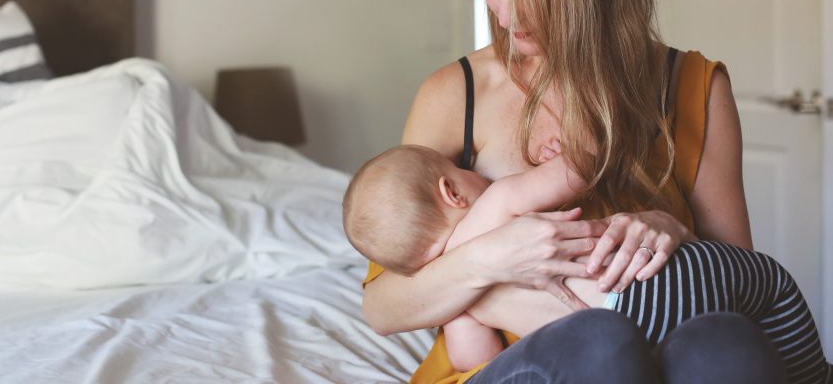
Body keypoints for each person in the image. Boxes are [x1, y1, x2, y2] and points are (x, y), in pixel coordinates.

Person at [361, 0, 795, 384]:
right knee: (600, 343)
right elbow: (383, 307)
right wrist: (489, 260)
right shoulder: (454, 95)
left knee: (728, 345)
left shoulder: (692, 87)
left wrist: (672, 229)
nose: (508, 16)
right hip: (511, 365)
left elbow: (744, 286)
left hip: (662, 349)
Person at [344, 143, 832, 382]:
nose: (472, 171)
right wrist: (558, 156)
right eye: (460, 169)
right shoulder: (496, 203)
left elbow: (478, 363)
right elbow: (581, 168)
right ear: (451, 191)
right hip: (664, 275)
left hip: (631, 326)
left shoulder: (454, 304)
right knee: (774, 291)